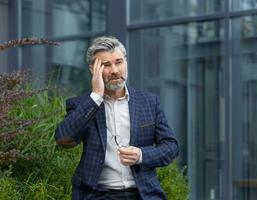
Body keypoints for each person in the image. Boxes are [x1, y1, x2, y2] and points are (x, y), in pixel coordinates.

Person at [55, 36, 179, 200]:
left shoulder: (149, 102)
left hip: (143, 194)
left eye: (118, 62)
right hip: (99, 195)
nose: (114, 70)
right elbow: (63, 139)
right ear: (93, 69)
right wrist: (96, 97)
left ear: (126, 62)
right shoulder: (82, 105)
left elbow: (171, 148)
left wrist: (141, 155)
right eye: (106, 65)